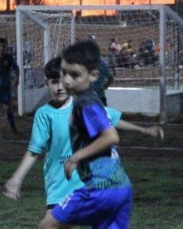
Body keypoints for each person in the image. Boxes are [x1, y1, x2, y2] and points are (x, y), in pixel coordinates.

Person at [3, 57, 162, 216]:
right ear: (46, 83)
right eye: (54, 82)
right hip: (58, 184)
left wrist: (144, 130)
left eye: (63, 81)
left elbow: (112, 119)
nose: (60, 87)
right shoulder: (44, 114)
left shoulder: (84, 104)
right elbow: (34, 150)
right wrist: (17, 179)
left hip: (84, 182)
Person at [37, 40, 133, 229]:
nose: (67, 80)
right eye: (64, 72)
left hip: (99, 189)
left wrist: (76, 157)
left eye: (75, 75)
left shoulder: (86, 104)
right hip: (121, 187)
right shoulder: (91, 99)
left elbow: (111, 136)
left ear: (93, 76)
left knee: (47, 226)